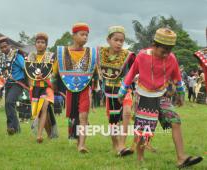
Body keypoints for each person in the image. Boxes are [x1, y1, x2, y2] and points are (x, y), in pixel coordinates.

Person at [118, 28, 203, 168]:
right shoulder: (142, 56)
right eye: (164, 51)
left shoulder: (172, 58)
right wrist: (122, 92)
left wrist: (181, 94)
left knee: (175, 121)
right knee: (144, 131)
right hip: (144, 97)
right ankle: (140, 160)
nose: (166, 54)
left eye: (169, 50)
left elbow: (177, 77)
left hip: (162, 96)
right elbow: (131, 74)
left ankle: (181, 158)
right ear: (154, 45)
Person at [55, 23, 98, 153]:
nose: (85, 37)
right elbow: (55, 71)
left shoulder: (90, 53)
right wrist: (53, 86)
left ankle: (82, 145)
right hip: (69, 89)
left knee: (83, 116)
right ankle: (78, 141)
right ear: (74, 36)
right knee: (74, 116)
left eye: (86, 35)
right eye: (82, 34)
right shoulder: (63, 52)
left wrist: (94, 86)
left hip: (85, 89)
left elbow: (94, 72)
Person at [98, 26, 136, 156]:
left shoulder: (129, 55)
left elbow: (136, 69)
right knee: (113, 120)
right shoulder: (101, 54)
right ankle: (116, 145)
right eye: (116, 40)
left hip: (125, 90)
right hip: (110, 91)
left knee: (126, 112)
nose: (119, 43)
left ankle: (122, 144)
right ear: (108, 40)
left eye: (121, 40)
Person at [25, 32, 58, 143]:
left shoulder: (51, 57)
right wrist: (30, 86)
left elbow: (54, 73)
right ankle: (50, 134)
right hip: (35, 88)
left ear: (46, 44)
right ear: (35, 44)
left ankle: (39, 135)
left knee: (43, 108)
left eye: (42, 42)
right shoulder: (30, 57)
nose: (40, 44)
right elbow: (29, 74)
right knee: (41, 112)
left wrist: (49, 80)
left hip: (47, 87)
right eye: (38, 42)